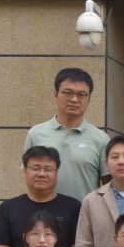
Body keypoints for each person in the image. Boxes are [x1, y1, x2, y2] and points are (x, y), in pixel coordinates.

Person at [23, 67, 109, 202]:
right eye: (68, 93)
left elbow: (108, 185)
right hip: (43, 213)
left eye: (81, 95)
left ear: (89, 99)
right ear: (56, 94)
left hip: (84, 213)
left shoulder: (101, 139)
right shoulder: (36, 133)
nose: (74, 99)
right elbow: (30, 176)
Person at [0, 146, 81, 247]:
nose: (41, 174)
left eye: (48, 169)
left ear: (56, 173)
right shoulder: (7, 208)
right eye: (36, 168)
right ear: (25, 171)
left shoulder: (73, 207)